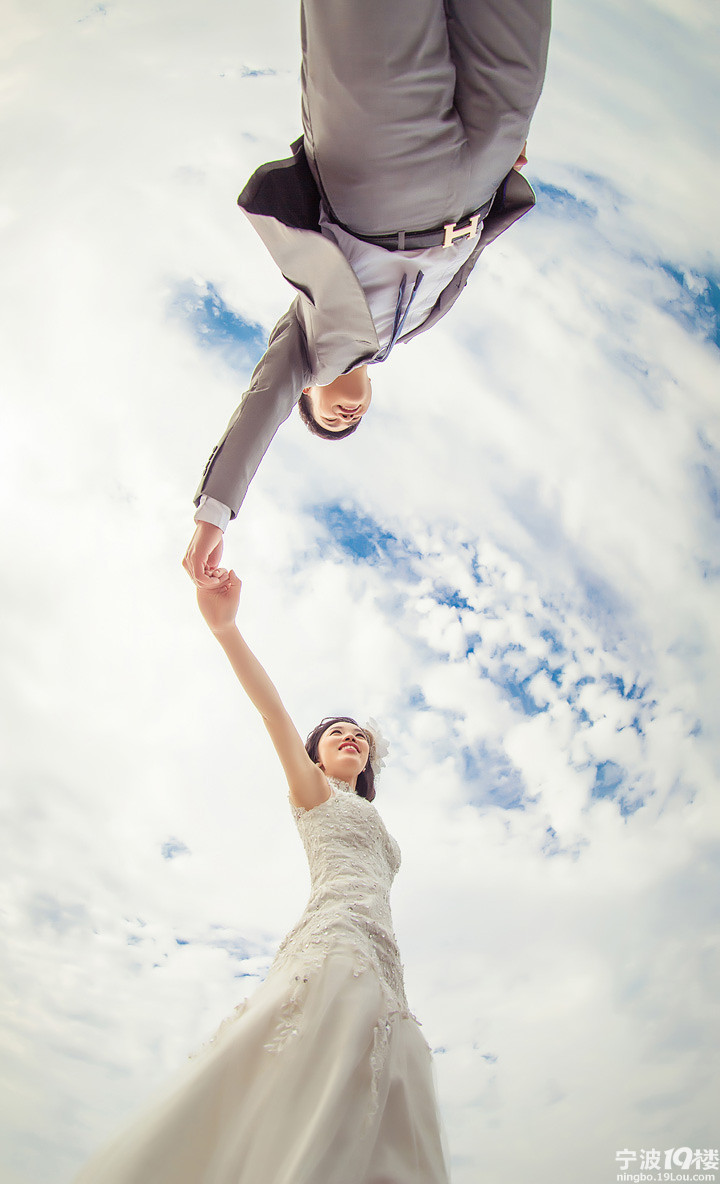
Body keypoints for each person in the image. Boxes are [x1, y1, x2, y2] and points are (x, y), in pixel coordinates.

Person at [72, 571, 450, 1184]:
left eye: (361, 736)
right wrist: (226, 626)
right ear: (316, 753)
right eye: (336, 733)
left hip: (387, 967)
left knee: (373, 1113)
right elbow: (274, 712)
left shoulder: (372, 818)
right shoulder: (314, 795)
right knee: (308, 1095)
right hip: (335, 948)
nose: (352, 737)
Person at [184, 0, 552, 588]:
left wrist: (214, 515)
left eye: (326, 420)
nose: (344, 418)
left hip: (375, 169)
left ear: (307, 395)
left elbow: (260, 407)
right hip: (482, 170)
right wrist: (497, 174)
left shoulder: (306, 343)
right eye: (350, 425)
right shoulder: (416, 324)